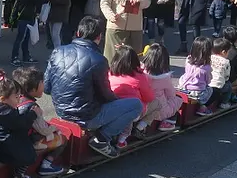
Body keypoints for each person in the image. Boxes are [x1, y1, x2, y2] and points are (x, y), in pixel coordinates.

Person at [44, 16, 144, 158]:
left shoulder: (57, 51)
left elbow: (47, 88)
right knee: (136, 105)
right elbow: (106, 95)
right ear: (99, 37)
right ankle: (102, 139)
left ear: (78, 33)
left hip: (62, 111)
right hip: (86, 116)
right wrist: (117, 99)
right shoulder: (99, 60)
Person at [0, 70, 41, 178]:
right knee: (29, 151)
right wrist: (33, 114)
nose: (19, 100)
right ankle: (17, 176)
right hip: (2, 142)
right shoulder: (8, 113)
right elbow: (21, 124)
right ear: (3, 99)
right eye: (16, 97)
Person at [11, 67, 67, 168]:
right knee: (62, 139)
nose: (44, 85)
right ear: (32, 88)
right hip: (31, 141)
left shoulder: (17, 99)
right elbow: (43, 130)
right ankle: (47, 164)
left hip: (18, 138)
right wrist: (55, 128)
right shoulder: (33, 107)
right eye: (42, 83)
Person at [108, 45, 156, 146]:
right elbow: (149, 97)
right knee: (156, 104)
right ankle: (139, 128)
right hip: (133, 110)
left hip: (113, 107)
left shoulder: (109, 73)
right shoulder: (139, 76)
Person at [141, 43, 181, 131]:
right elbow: (171, 95)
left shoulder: (141, 72)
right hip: (159, 110)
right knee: (178, 99)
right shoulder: (164, 77)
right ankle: (168, 121)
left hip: (143, 107)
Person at [9, 0, 44, 66]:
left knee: (25, 38)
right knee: (20, 38)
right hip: (24, 17)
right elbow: (35, 1)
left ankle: (25, 55)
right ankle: (14, 57)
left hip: (29, 17)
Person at [177, 36, 215, 116]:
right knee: (210, 90)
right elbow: (208, 81)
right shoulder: (206, 68)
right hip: (197, 92)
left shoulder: (188, 60)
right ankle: (202, 107)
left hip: (184, 87)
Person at [210, 37, 233, 109]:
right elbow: (227, 76)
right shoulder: (226, 61)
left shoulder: (209, 58)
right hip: (218, 86)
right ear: (223, 52)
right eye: (228, 51)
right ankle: (224, 103)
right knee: (228, 85)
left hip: (208, 84)